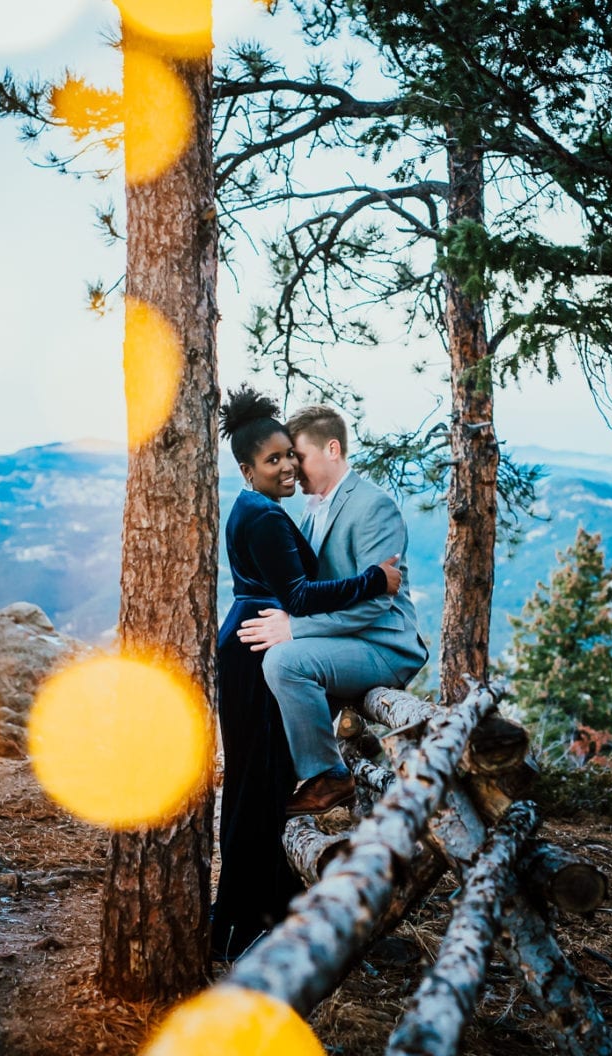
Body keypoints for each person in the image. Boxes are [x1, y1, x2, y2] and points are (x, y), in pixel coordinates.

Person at [212, 385, 402, 961]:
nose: (287, 466)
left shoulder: (255, 508)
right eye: (275, 459)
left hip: (251, 635)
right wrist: (375, 580)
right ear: (248, 469)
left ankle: (250, 916)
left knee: (257, 782)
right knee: (260, 784)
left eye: (290, 455)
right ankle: (250, 923)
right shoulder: (266, 517)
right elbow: (296, 595)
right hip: (259, 646)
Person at [238, 404, 429, 817]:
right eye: (285, 457)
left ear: (332, 449)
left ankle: (330, 774)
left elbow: (376, 604)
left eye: (298, 456)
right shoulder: (309, 510)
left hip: (382, 645)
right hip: (341, 644)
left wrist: (295, 629)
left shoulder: (373, 507)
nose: (292, 467)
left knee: (285, 661)